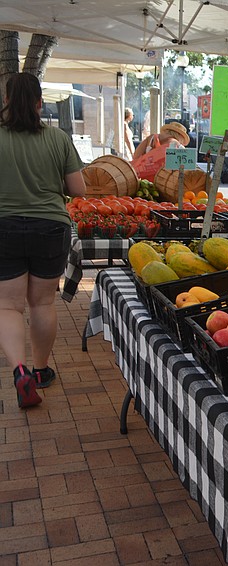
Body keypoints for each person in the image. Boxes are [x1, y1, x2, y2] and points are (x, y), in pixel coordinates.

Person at [0, 73, 86, 408]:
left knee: (8, 306)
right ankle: (40, 371)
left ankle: (19, 370)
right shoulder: (58, 138)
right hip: (50, 227)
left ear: (6, 100)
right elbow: (78, 189)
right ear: (40, 103)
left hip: (3, 227)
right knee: (42, 303)